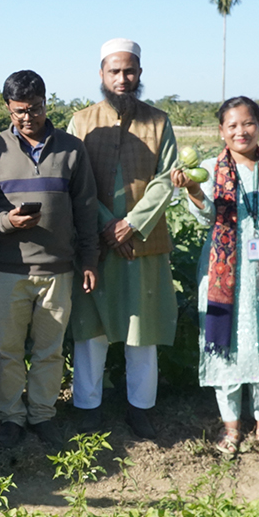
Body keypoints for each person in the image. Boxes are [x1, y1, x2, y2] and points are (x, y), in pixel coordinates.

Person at [172, 97, 259, 459]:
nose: (240, 131)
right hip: (223, 273)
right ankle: (231, 425)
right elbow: (205, 218)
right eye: (232, 125)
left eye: (247, 123)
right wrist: (191, 189)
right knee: (228, 345)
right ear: (221, 131)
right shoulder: (208, 168)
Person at [0, 70, 99, 449]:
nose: (28, 118)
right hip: (11, 268)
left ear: (47, 102)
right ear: (8, 109)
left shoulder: (72, 149)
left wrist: (89, 258)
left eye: (36, 108)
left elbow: (86, 209)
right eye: (19, 111)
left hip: (58, 269)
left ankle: (43, 414)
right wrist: (5, 220)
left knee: (50, 350)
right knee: (7, 350)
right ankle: (11, 417)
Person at [68, 38, 179, 439]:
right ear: (101, 74)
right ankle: (87, 409)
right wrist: (106, 226)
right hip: (95, 243)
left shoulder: (159, 122)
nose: (122, 78)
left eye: (129, 71)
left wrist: (131, 224)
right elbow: (75, 183)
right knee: (91, 330)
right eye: (114, 71)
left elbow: (167, 179)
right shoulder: (80, 122)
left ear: (140, 74)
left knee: (141, 329)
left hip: (143, 242)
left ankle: (140, 409)